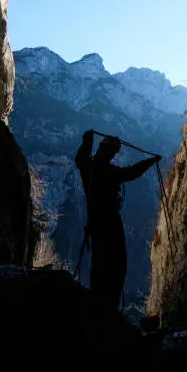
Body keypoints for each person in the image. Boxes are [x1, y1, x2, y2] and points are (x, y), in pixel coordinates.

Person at [75, 129, 161, 311]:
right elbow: (130, 173)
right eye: (112, 152)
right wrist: (151, 161)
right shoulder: (103, 170)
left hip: (96, 224)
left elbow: (81, 159)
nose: (112, 155)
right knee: (116, 265)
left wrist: (86, 141)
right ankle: (107, 307)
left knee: (101, 265)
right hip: (109, 223)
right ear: (109, 152)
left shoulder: (90, 168)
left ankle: (99, 305)